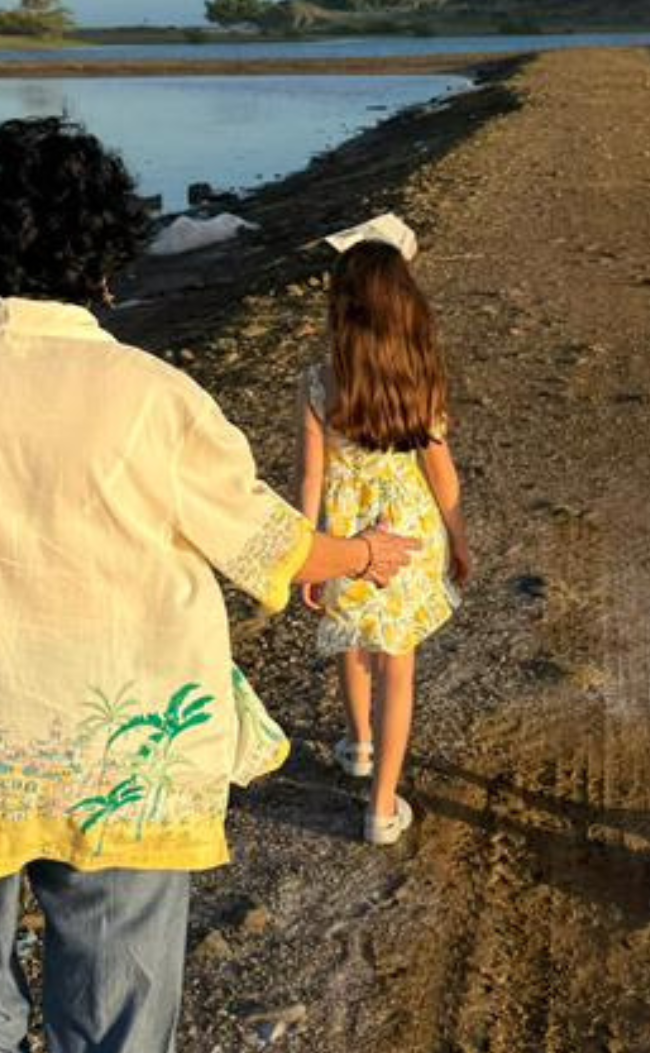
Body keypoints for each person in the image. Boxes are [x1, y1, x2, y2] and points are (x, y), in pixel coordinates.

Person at [0, 117, 415, 1053]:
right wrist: (366, 554)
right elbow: (272, 545)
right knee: (117, 1029)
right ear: (106, 259)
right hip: (125, 762)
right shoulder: (155, 395)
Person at [297, 237, 472, 845]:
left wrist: (309, 554)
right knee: (398, 666)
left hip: (346, 537)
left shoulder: (321, 381)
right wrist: (459, 537)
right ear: (404, 305)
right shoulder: (419, 378)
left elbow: (311, 477)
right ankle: (380, 806)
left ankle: (360, 745)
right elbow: (441, 472)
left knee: (352, 643)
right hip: (409, 537)